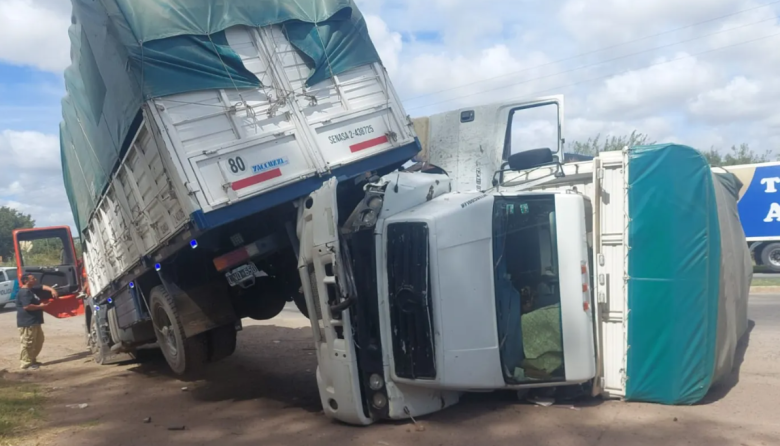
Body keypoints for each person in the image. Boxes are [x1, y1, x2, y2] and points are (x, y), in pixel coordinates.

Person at [16, 274, 58, 370]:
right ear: (26, 281)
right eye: (32, 279)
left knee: (38, 341)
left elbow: (42, 286)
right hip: (27, 322)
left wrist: (52, 289)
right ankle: (26, 363)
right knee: (28, 342)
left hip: (35, 321)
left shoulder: (32, 289)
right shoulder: (24, 292)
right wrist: (41, 306)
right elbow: (27, 306)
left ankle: (32, 359)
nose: (35, 279)